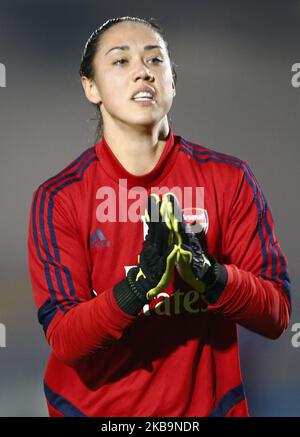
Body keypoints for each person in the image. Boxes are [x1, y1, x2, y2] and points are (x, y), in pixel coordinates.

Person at [27, 16, 291, 417]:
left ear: (172, 82)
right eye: (121, 61)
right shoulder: (59, 197)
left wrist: (211, 277)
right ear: (90, 87)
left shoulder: (230, 178)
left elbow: (276, 313)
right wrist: (139, 287)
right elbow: (65, 338)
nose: (143, 71)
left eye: (155, 60)